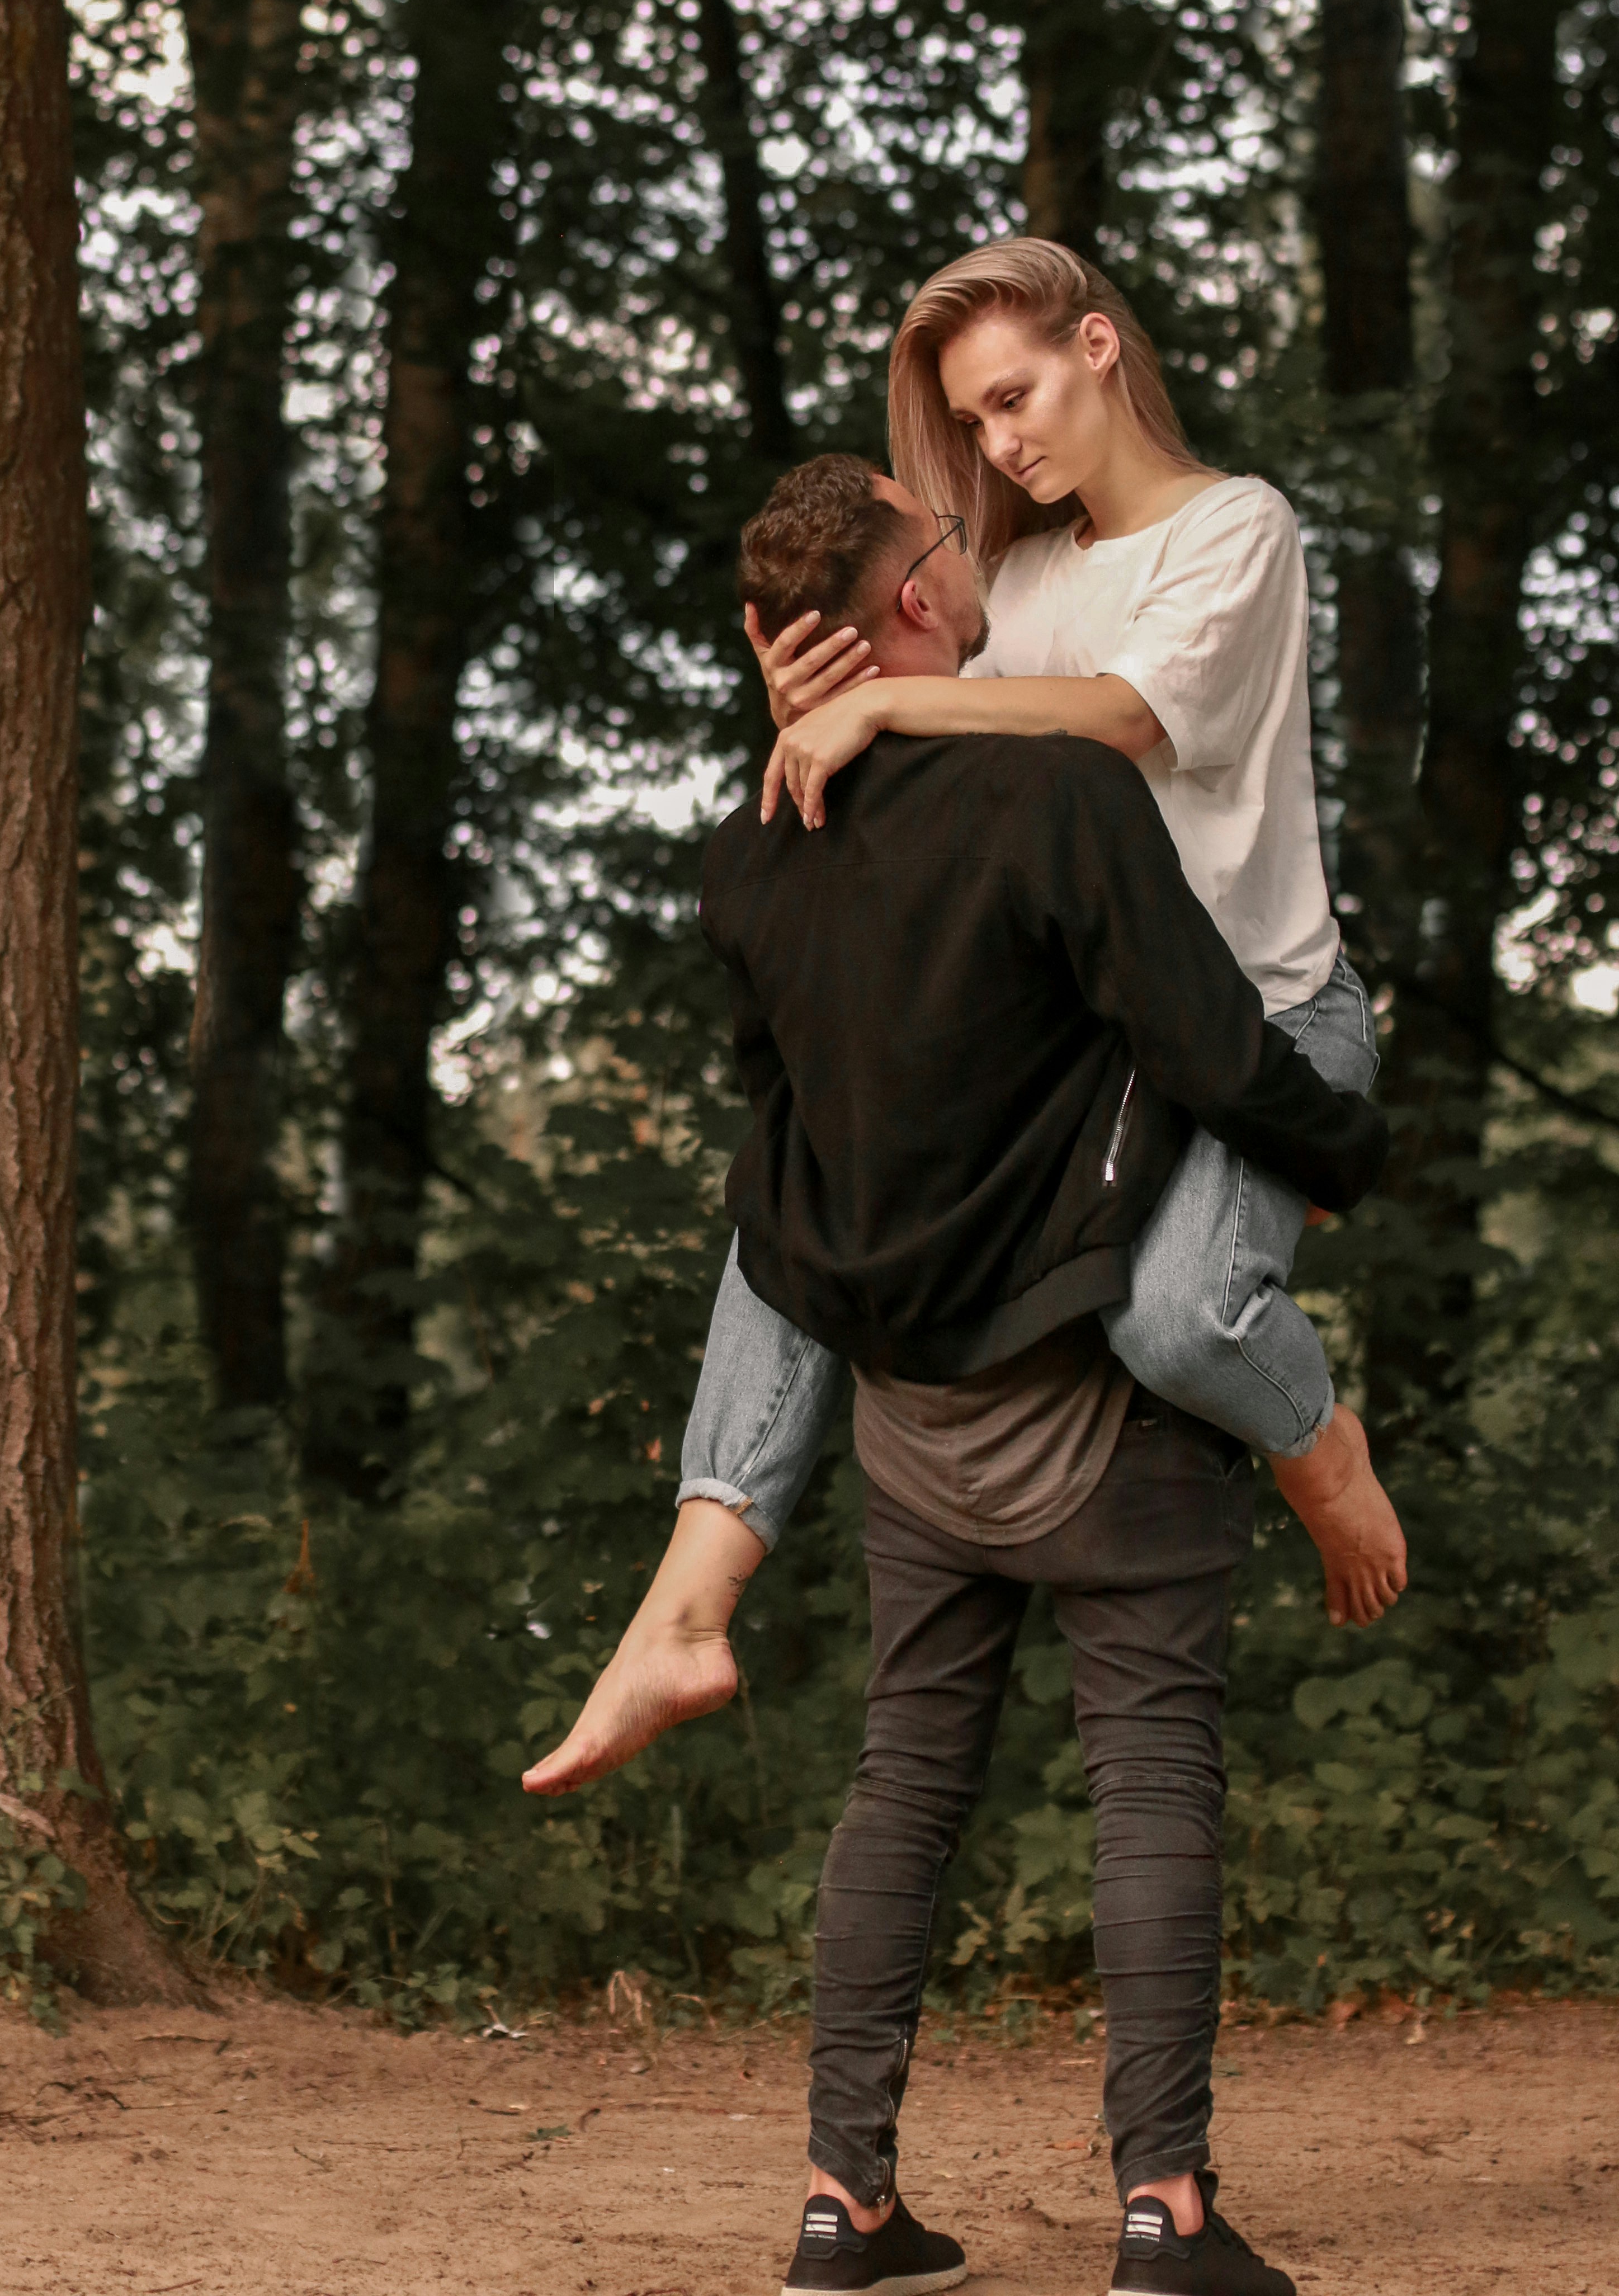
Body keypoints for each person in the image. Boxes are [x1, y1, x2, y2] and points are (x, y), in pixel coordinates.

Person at [530, 456, 1389, 2296]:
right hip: (1100, 1403)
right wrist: (1349, 1152)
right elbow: (1209, 1039)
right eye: (943, 542)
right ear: (912, 601)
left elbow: (799, 1142)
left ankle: (846, 2207)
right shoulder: (1060, 796)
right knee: (1151, 1773)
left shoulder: (758, 850)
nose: (971, 548)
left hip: (913, 1423)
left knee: (904, 1783)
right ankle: (1164, 2217)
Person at [527, 237, 1404, 1801]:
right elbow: (931, 785)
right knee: (800, 1195)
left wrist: (887, 703)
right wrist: (811, 716)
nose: (1003, 443)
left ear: (1098, 347)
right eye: (976, 423)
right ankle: (685, 1606)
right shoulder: (1019, 585)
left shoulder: (1235, 530)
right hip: (1106, 1053)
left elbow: (1126, 723)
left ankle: (1325, 1458)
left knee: (1178, 1319)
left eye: (1018, 396)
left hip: (1263, 1019)